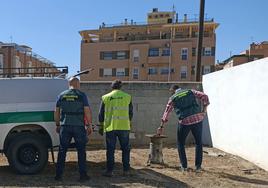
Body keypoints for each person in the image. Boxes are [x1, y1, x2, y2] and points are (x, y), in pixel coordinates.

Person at [157, 85, 209, 172]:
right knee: (198, 142)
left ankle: (184, 166)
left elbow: (166, 112)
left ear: (173, 91)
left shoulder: (173, 98)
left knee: (180, 143)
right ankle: (198, 167)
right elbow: (205, 96)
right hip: (197, 119)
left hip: (185, 121)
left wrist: (161, 126)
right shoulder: (190, 91)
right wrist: (204, 110)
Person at [54, 77, 93, 181]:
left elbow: (56, 111)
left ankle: (58, 175)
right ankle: (82, 175)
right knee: (81, 150)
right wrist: (89, 125)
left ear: (69, 84)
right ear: (78, 84)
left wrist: (57, 124)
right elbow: (87, 111)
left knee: (62, 150)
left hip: (65, 126)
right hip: (79, 126)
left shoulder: (61, 95)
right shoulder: (81, 95)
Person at [98, 79, 133, 177]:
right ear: (120, 87)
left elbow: (101, 114)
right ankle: (126, 170)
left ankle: (109, 171)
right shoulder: (127, 97)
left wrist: (101, 126)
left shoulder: (105, 97)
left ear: (112, 87)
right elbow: (130, 113)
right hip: (124, 127)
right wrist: (129, 123)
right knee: (125, 149)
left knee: (110, 149)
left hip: (110, 127)